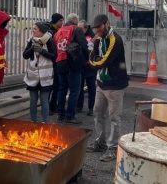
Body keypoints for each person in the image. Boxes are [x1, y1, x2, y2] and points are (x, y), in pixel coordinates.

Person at [87, 14, 128, 162]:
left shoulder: (114, 39)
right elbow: (92, 56)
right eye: (95, 28)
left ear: (107, 24)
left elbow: (102, 61)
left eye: (99, 27)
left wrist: (93, 61)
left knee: (114, 117)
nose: (97, 31)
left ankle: (113, 147)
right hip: (102, 82)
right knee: (97, 112)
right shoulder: (99, 38)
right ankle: (101, 142)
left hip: (115, 84)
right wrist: (93, 59)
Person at [54, 13, 88, 124]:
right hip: (72, 63)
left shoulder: (59, 31)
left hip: (60, 63)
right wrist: (86, 59)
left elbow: (55, 47)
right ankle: (70, 115)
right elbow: (84, 45)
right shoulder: (76, 29)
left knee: (62, 89)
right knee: (74, 91)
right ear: (76, 21)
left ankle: (60, 114)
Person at [23, 22, 56, 123]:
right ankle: (33, 121)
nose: (33, 30)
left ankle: (45, 122)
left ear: (41, 31)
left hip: (45, 77)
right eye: (33, 28)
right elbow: (25, 55)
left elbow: (54, 56)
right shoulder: (31, 40)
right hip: (33, 77)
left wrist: (42, 51)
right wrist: (32, 48)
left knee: (44, 101)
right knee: (33, 100)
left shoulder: (49, 41)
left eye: (35, 29)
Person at [77, 20, 97, 116]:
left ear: (85, 28)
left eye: (80, 28)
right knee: (79, 87)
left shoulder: (92, 37)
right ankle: (79, 106)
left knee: (91, 88)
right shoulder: (78, 36)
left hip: (90, 67)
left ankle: (91, 108)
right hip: (81, 66)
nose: (79, 30)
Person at [47, 13, 64, 116]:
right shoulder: (50, 31)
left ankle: (53, 106)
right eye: (60, 21)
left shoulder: (58, 31)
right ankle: (48, 107)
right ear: (56, 21)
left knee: (56, 85)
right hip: (51, 62)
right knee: (50, 86)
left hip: (57, 61)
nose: (62, 23)